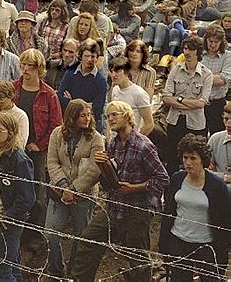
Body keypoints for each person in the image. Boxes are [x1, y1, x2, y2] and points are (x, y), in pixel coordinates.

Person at [71, 101, 170, 282]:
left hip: (138, 210)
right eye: (108, 116)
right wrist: (103, 166)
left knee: (137, 259)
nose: (110, 119)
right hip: (115, 206)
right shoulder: (113, 144)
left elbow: (163, 179)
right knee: (88, 241)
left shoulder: (143, 146)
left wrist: (135, 188)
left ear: (127, 116)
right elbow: (110, 182)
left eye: (114, 115)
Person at [44, 99, 104, 279]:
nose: (87, 118)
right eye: (82, 115)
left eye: (89, 115)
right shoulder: (57, 134)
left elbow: (94, 170)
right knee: (50, 234)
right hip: (58, 194)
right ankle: (55, 269)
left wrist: (74, 190)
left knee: (82, 237)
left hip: (84, 196)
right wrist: (63, 187)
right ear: (72, 117)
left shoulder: (96, 138)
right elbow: (52, 162)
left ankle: (74, 272)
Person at [159, 134, 230, 282]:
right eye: (185, 158)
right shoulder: (177, 178)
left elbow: (224, 221)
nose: (188, 163)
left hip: (206, 245)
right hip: (178, 240)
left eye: (193, 158)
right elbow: (168, 212)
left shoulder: (217, 186)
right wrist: (164, 243)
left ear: (202, 160)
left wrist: (222, 253)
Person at [13, 48, 62, 230]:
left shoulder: (48, 94)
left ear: (39, 68)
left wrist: (39, 145)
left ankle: (35, 232)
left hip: (37, 149)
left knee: (36, 191)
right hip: (14, 147)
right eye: (23, 64)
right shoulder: (14, 88)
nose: (25, 69)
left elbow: (56, 125)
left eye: (30, 66)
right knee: (14, 188)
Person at [0, 111, 36, 282]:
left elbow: (27, 198)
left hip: (9, 221)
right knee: (12, 264)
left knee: (0, 272)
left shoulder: (19, 160)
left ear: (11, 133)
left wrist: (8, 218)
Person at [162, 36, 213, 173]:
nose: (187, 52)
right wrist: (189, 103)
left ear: (198, 52)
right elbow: (166, 97)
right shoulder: (176, 70)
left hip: (196, 123)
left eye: (191, 49)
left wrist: (178, 100)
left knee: (196, 158)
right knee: (172, 158)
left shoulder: (206, 74)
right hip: (175, 121)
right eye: (185, 48)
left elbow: (201, 103)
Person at [57, 39, 108, 132]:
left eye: (93, 56)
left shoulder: (100, 81)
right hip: (69, 123)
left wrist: (72, 102)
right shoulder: (70, 74)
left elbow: (97, 109)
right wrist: (87, 105)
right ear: (80, 56)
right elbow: (60, 96)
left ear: (97, 58)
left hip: (89, 127)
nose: (89, 60)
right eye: (86, 56)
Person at [109, 56, 154, 136]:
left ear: (126, 72)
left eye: (117, 71)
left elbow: (149, 124)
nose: (113, 75)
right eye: (111, 71)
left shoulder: (139, 93)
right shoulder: (115, 90)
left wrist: (135, 141)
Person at [200, 25, 231, 135]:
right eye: (210, 41)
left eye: (216, 42)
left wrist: (201, 76)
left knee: (217, 134)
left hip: (217, 103)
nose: (212, 45)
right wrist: (215, 76)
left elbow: (222, 80)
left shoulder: (227, 56)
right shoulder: (199, 54)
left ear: (221, 42)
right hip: (199, 102)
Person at [207, 101, 231, 191]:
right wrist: (224, 177)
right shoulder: (215, 139)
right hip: (219, 190)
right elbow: (205, 171)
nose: (228, 124)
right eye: (226, 119)